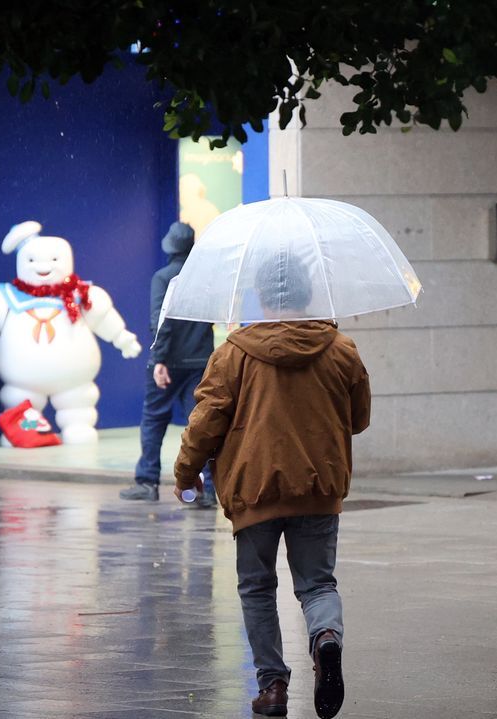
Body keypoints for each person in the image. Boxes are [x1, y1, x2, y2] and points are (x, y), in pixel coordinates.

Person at [173, 255, 371, 719]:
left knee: (258, 589)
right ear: (307, 295)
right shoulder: (341, 349)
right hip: (318, 487)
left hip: (254, 490)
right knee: (318, 584)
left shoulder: (233, 353)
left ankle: (274, 687)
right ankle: (325, 638)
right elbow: (359, 419)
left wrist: (186, 474)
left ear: (259, 296)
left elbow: (206, 423)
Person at [119, 222, 217, 505]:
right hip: (200, 361)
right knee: (200, 425)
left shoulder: (163, 278)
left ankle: (147, 482)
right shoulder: (205, 278)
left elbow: (161, 321)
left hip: (169, 361)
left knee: (153, 420)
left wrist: (159, 359)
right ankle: (208, 490)